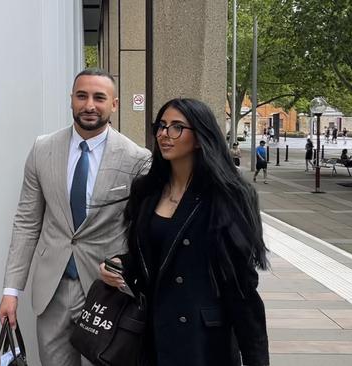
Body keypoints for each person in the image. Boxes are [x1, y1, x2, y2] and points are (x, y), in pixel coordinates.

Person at [0, 68, 150, 366]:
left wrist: (132, 277)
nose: (89, 105)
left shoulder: (136, 159)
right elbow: (27, 222)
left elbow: (143, 231)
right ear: (71, 100)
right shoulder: (43, 149)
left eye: (99, 97)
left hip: (107, 292)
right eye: (82, 96)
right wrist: (11, 290)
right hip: (52, 292)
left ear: (114, 104)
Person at [100, 98, 269, 366]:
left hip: (202, 340)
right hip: (151, 333)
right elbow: (154, 256)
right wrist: (123, 264)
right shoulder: (146, 190)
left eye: (177, 127)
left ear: (201, 138)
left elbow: (242, 287)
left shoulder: (228, 196)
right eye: (162, 126)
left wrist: (256, 359)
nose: (165, 134)